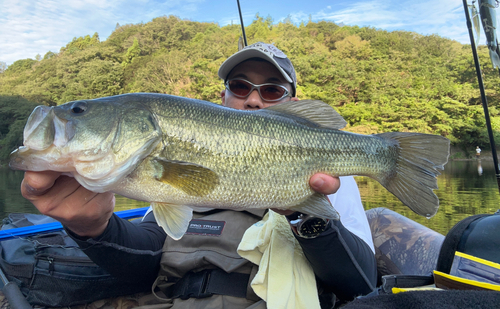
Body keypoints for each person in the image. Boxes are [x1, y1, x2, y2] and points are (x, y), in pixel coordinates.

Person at [21, 42, 377, 308]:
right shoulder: (153, 171)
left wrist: (303, 212)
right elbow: (146, 263)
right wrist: (94, 227)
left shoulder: (330, 177)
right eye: (240, 86)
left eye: (271, 91)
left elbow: (361, 283)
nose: (253, 100)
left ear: (295, 107)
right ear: (221, 98)